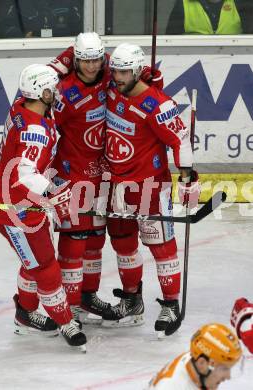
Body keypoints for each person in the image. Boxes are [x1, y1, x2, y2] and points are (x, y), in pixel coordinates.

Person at [49, 33, 164, 324]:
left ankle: (88, 296)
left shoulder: (112, 73)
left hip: (105, 176)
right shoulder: (63, 92)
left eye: (96, 60)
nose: (91, 66)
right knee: (74, 241)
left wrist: (152, 77)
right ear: (75, 59)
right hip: (71, 175)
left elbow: (145, 85)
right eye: (85, 60)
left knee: (97, 241)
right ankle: (71, 305)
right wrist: (49, 178)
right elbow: (49, 132)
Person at [100, 43, 200, 336]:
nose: (117, 76)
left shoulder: (158, 104)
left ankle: (171, 303)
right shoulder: (111, 92)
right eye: (115, 70)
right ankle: (132, 300)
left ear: (138, 71)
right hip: (116, 188)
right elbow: (90, 60)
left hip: (150, 188)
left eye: (124, 71)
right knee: (123, 245)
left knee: (161, 247)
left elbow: (180, 139)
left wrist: (187, 179)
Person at [0, 63, 86, 351]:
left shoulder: (22, 107)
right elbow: (24, 173)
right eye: (52, 89)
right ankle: (66, 322)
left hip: (17, 201)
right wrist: (54, 191)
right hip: (16, 208)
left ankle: (26, 315)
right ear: (41, 91)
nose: (56, 93)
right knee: (45, 266)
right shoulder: (35, 130)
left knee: (32, 262)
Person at [148, 323, 242, 389]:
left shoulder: (196, 361)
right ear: (202, 363)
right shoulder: (171, 386)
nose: (228, 376)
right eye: (224, 368)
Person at [166, 0, 253, 35]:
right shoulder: (183, 3)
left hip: (236, 61)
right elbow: (169, 42)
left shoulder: (240, 2)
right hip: (192, 63)